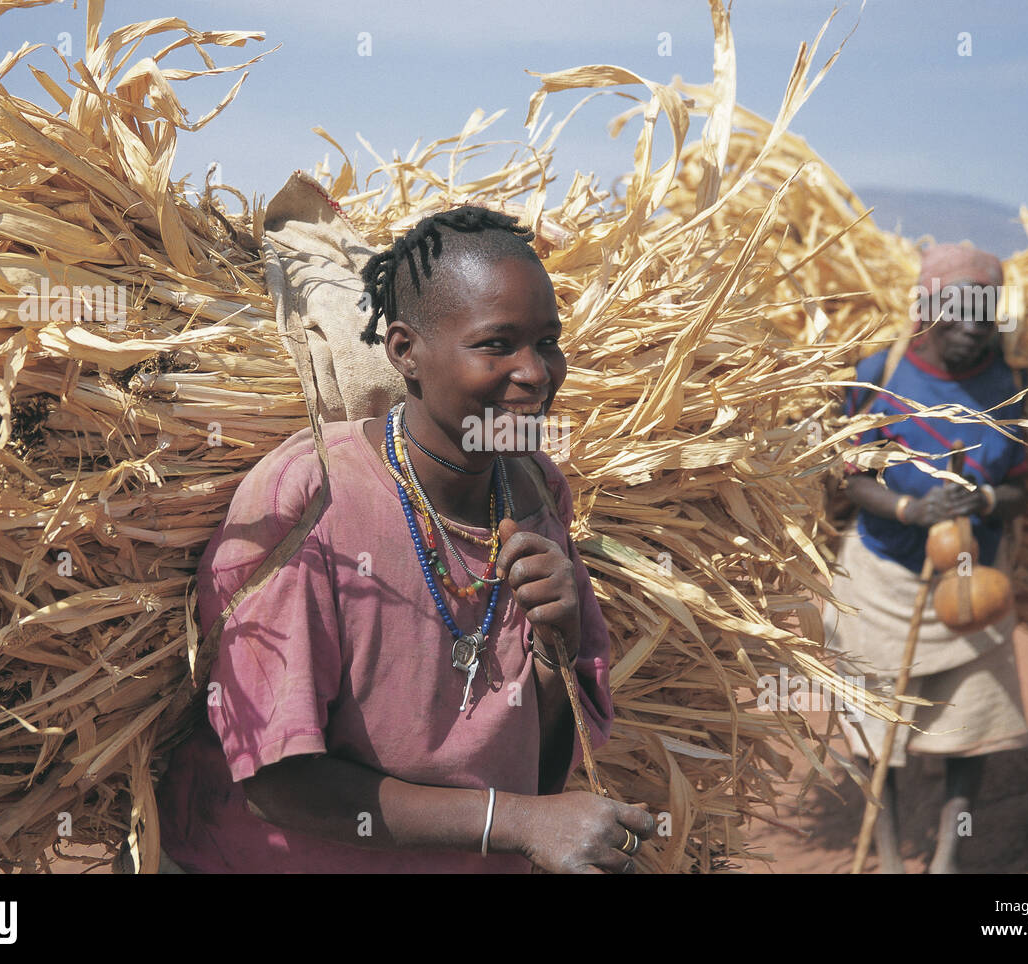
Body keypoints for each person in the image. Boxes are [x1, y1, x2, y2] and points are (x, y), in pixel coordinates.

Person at [153, 205, 655, 873]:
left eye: (547, 341)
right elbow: (277, 780)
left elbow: (541, 769)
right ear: (404, 351)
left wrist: (552, 650)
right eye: (497, 344)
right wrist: (517, 822)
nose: (536, 373)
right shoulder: (312, 500)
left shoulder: (536, 493)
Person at [824, 242, 1028, 874]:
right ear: (929, 309)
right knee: (875, 736)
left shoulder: (1012, 387)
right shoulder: (880, 375)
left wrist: (988, 497)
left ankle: (946, 860)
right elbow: (845, 476)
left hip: (972, 592)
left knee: (973, 728)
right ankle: (887, 856)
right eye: (959, 313)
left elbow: (1024, 487)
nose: (973, 329)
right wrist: (912, 512)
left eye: (985, 316)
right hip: (879, 580)